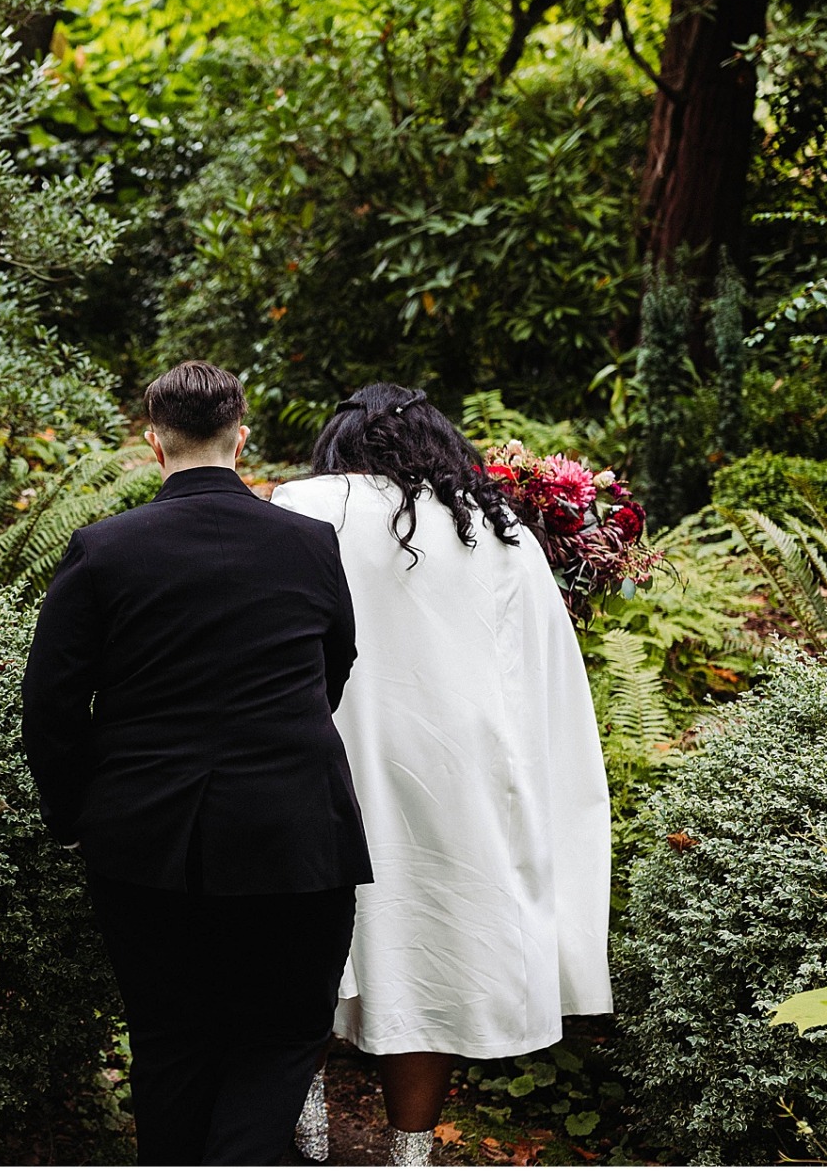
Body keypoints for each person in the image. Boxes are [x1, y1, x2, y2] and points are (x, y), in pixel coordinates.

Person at [22, 360, 370, 1166]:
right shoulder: (308, 543)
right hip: (294, 833)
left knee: (170, 1039)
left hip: (146, 838)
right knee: (282, 1034)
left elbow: (52, 703)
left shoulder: (103, 549)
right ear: (240, 439)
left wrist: (75, 815)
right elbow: (333, 669)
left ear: (155, 442)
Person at [270, 383, 613, 1167]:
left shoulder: (304, 506)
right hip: (454, 772)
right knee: (428, 943)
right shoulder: (501, 535)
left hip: (323, 749)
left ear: (337, 446)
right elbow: (545, 677)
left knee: (309, 943)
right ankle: (411, 1151)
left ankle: (309, 1123)